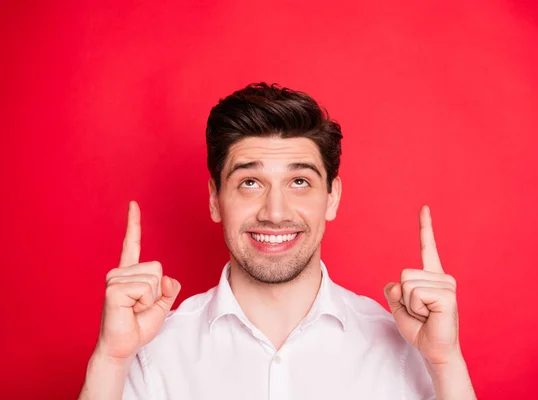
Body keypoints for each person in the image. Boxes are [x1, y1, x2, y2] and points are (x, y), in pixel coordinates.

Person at [79, 83, 476, 400]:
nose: (275, 211)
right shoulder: (154, 352)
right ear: (216, 200)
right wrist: (111, 360)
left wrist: (445, 362)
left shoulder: (408, 349)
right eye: (250, 182)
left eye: (299, 181)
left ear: (332, 197)